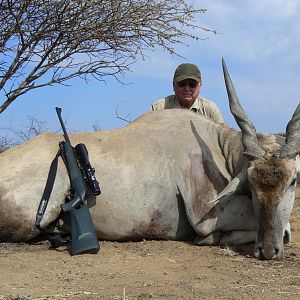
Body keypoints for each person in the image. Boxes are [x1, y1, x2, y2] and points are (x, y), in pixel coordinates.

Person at [150, 63, 224, 123]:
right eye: (182, 84)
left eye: (192, 85)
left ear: (200, 86)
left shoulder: (211, 110)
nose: (187, 89)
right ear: (173, 85)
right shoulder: (158, 108)